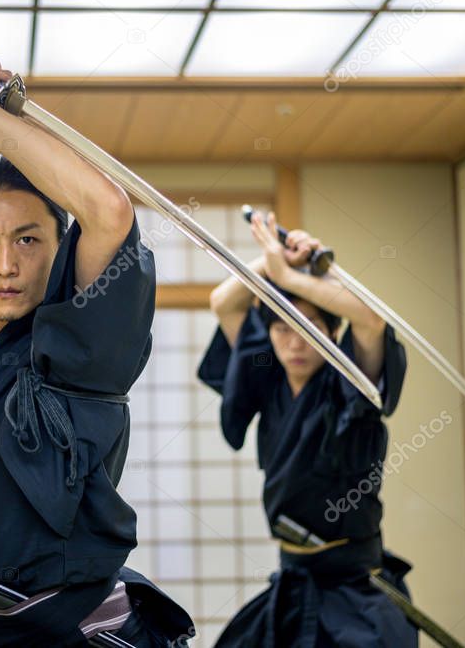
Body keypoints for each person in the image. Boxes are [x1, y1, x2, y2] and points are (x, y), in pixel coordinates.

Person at [0, 16, 194, 647]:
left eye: (27, 239)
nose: (6, 264)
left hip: (73, 631)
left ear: (59, 247)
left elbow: (109, 211)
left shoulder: (85, 347)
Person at [197, 211, 417, 647]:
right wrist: (272, 262)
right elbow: (224, 302)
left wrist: (292, 279)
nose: (294, 343)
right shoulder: (265, 375)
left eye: (310, 328)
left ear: (334, 332)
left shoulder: (351, 383)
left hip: (355, 582)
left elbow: (371, 321)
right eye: (282, 328)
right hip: (294, 578)